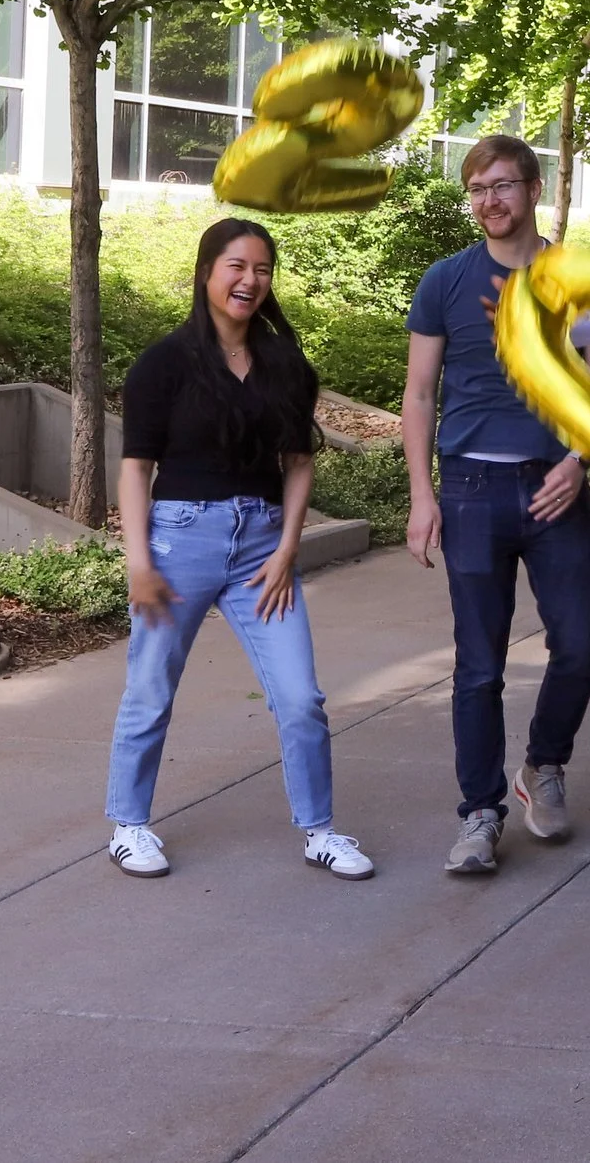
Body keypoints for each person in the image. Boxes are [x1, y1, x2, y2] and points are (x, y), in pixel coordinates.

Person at [106, 218, 373, 882]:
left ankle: (320, 831)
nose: (249, 280)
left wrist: (287, 550)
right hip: (180, 542)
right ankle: (129, 825)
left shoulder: (285, 364)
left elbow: (299, 464)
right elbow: (136, 468)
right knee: (150, 688)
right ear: (207, 272)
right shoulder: (164, 364)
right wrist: (139, 562)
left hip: (261, 548)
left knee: (301, 698)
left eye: (261, 269)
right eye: (236, 266)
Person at [403, 136, 590, 877]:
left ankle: (544, 764)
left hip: (556, 488)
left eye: (501, 185)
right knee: (478, 667)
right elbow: (419, 395)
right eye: (476, 189)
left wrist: (578, 461)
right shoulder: (445, 281)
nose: (488, 200)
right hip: (469, 491)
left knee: (581, 643)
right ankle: (480, 813)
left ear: (533, 188)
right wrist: (421, 496)